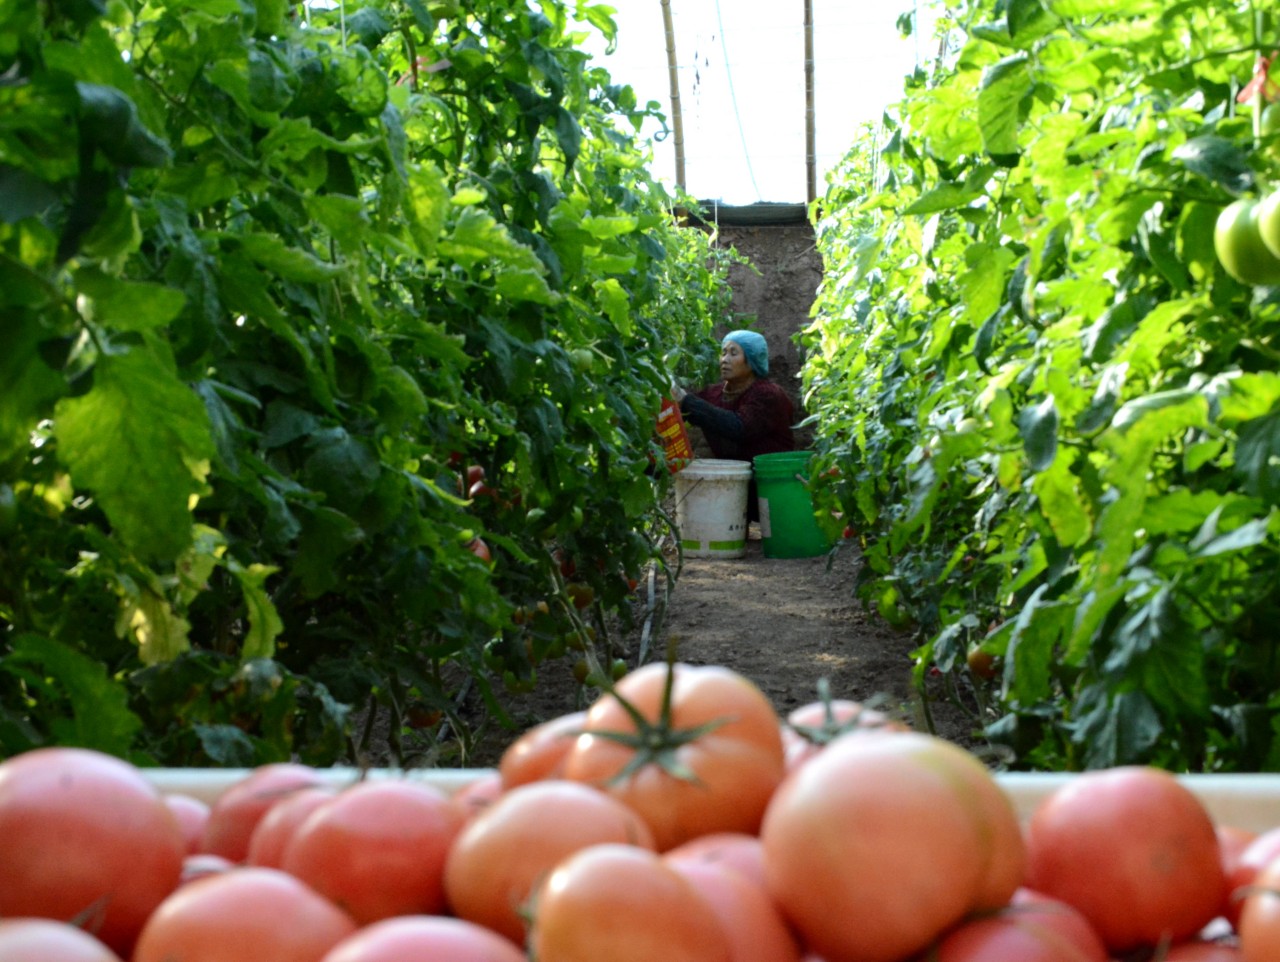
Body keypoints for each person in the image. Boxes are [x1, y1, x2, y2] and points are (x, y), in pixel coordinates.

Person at [672, 329, 796, 520]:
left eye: (733, 353)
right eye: (723, 353)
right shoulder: (714, 394)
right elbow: (683, 411)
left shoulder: (768, 395)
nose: (724, 360)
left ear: (752, 359)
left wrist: (686, 401)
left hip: (768, 489)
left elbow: (739, 427)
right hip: (733, 486)